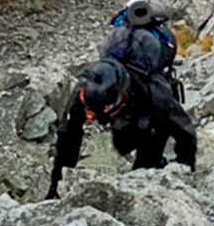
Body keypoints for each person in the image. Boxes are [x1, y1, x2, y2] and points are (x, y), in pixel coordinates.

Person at [46, 56, 197, 199]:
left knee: (144, 160)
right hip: (124, 109)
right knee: (120, 143)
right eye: (90, 111)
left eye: (98, 112)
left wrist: (183, 170)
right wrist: (56, 185)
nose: (91, 117)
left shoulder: (155, 96)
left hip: (146, 113)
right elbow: (68, 139)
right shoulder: (85, 89)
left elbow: (186, 134)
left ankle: (153, 167)